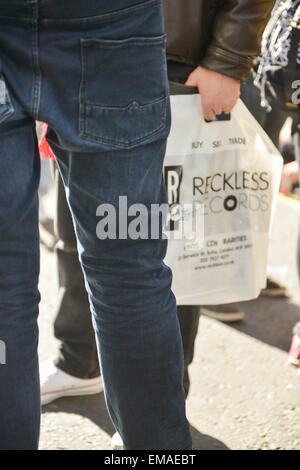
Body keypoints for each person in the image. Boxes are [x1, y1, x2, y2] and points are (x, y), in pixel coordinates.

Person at [0, 0, 274, 451]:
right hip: (112, 26)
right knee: (127, 271)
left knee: (10, 283)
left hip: (108, 28)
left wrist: (228, 56)